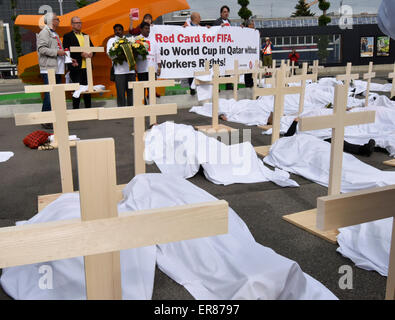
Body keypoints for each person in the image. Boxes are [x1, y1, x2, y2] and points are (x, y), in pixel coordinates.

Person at [282, 117, 376, 157]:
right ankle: (363, 150)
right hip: (312, 140)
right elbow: (287, 136)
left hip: (319, 135)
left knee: (340, 141)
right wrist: (294, 122)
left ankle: (363, 149)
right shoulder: (290, 122)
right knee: (339, 144)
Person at [37, 12, 65, 129]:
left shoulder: (54, 33)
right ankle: (46, 119)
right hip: (48, 69)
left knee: (55, 95)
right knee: (50, 94)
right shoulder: (44, 32)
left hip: (56, 68)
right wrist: (57, 52)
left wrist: (68, 59)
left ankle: (54, 118)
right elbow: (42, 49)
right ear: (51, 21)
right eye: (57, 19)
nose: (58, 21)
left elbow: (59, 49)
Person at [63, 16, 93, 109]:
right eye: (76, 23)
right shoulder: (67, 36)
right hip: (76, 67)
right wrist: (81, 54)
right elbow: (66, 50)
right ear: (72, 25)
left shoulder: (85, 36)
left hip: (87, 67)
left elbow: (92, 47)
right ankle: (75, 110)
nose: (79, 24)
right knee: (77, 90)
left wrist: (92, 53)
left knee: (88, 90)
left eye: (80, 22)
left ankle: (88, 110)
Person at [106, 24, 136, 107]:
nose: (118, 31)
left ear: (123, 31)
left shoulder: (129, 40)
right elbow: (109, 54)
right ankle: (121, 110)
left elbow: (134, 52)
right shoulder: (111, 41)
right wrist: (120, 55)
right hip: (119, 72)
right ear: (114, 31)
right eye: (116, 30)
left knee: (131, 92)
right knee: (120, 93)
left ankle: (132, 109)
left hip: (130, 71)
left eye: (119, 29)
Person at [136, 22, 161, 103]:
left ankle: (152, 107)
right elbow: (134, 55)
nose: (148, 30)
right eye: (146, 28)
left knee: (152, 89)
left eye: (148, 28)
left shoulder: (153, 39)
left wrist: (159, 67)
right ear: (141, 29)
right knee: (142, 90)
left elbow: (157, 53)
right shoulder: (137, 39)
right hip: (141, 69)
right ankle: (144, 107)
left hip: (152, 69)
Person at [243, 19, 255, 88]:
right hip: (246, 53)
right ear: (248, 25)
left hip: (251, 53)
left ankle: (251, 82)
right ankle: (248, 83)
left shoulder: (254, 32)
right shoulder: (245, 32)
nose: (253, 26)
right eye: (252, 24)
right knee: (247, 69)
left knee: (251, 68)